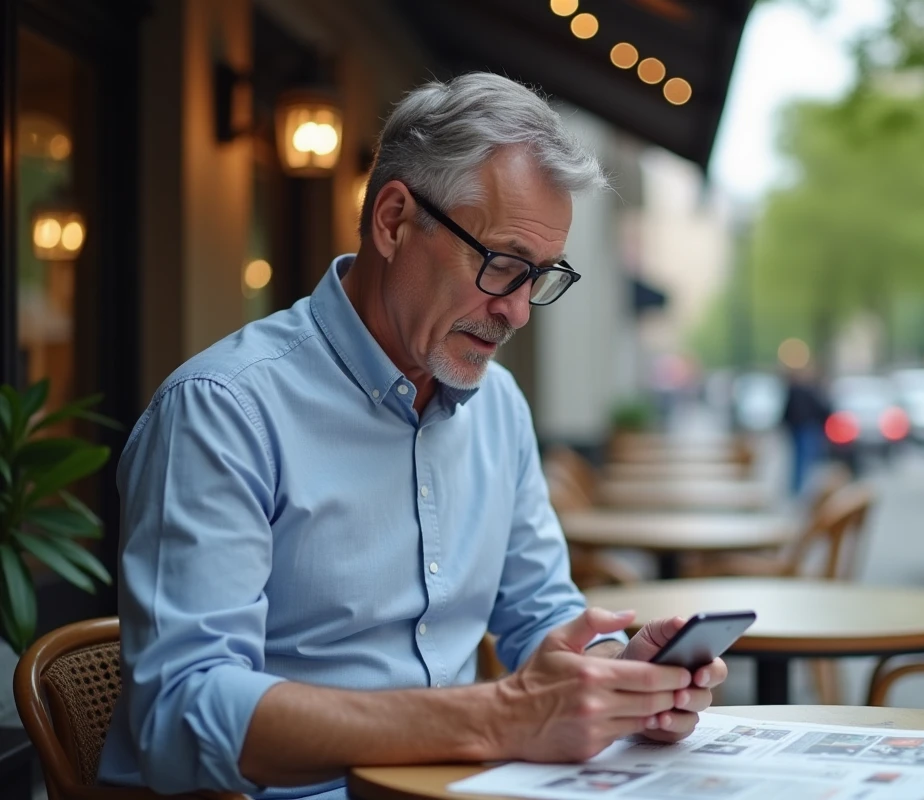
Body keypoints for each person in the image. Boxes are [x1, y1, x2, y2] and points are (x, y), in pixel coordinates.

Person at [97, 72, 727, 799]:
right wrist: (498, 718)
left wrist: (618, 677)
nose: (518, 313)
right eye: (501, 266)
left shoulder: (499, 404)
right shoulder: (221, 412)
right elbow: (184, 718)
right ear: (393, 221)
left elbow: (544, 614)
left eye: (540, 277)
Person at [781, 365, 830, 496]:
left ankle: (798, 487)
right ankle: (801, 488)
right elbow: (821, 408)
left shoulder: (793, 390)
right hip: (807, 428)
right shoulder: (808, 390)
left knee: (800, 459)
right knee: (806, 459)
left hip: (799, 428)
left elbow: (786, 411)